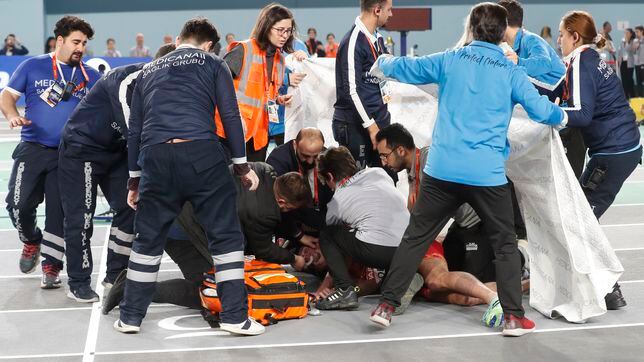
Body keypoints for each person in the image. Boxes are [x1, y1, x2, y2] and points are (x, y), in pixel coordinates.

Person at [368, 2, 566, 336]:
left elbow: (407, 67)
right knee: (504, 243)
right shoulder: (509, 71)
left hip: (442, 169)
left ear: (471, 29)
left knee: (415, 238)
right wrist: (563, 117)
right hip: (486, 174)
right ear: (503, 32)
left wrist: (382, 61)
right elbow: (541, 110)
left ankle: (386, 306)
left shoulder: (450, 59)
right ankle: (513, 318)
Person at [116, 17, 264, 336]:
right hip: (201, 154)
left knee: (148, 242)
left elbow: (134, 132)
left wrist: (133, 179)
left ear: (181, 38)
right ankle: (235, 316)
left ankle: (130, 317)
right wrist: (241, 165)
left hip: (155, 158)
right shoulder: (213, 63)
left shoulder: (148, 71)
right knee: (225, 237)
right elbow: (229, 115)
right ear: (209, 44)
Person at [57, 44, 176, 303]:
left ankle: (115, 274)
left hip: (116, 151)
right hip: (82, 150)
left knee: (130, 208)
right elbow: (135, 130)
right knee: (82, 216)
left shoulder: (164, 88)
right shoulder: (123, 79)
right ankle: (78, 281)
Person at [0, 16, 100, 289]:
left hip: (69, 156)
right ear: (60, 41)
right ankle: (31, 240)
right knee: (17, 205)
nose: (81, 48)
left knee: (58, 213)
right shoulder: (33, 66)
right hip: (32, 149)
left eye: (85, 43)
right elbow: (7, 97)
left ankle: (51, 266)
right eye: (76, 42)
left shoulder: (90, 75)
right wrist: (11, 116)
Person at [375, 123, 504, 326]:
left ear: (400, 150)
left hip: (481, 225)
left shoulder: (430, 161)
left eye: (385, 155)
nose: (383, 162)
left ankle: (519, 284)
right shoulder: (412, 173)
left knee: (463, 286)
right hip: (461, 226)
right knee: (441, 284)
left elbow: (428, 215)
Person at [556, 10, 642, 310]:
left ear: (575, 36)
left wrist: (549, 115)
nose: (558, 41)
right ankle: (602, 287)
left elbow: (581, 114)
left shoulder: (581, 62)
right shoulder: (590, 59)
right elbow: (562, 93)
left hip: (613, 152)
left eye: (562, 35)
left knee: (580, 222)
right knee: (579, 218)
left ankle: (610, 289)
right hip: (623, 146)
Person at [314, 147, 418, 312]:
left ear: (330, 177)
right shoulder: (379, 172)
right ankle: (400, 276)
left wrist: (326, 283)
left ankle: (344, 291)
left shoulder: (336, 203)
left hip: (378, 252)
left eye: (326, 182)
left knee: (328, 235)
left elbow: (339, 246)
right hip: (408, 248)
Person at [217, 3, 307, 162]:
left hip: (258, 136)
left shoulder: (279, 59)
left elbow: (267, 93)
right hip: (230, 133)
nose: (284, 35)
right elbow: (216, 85)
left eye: (288, 31)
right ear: (266, 27)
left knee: (254, 182)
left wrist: (279, 99)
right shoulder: (244, 49)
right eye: (280, 30)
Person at [333, 0, 393, 170]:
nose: (391, 14)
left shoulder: (378, 38)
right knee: (356, 184)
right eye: (389, 10)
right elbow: (351, 91)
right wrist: (371, 126)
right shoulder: (352, 41)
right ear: (377, 10)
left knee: (387, 180)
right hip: (355, 125)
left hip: (378, 122)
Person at [618, 28, 637, 99]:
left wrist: (626, 42)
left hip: (630, 63)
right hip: (623, 63)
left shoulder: (633, 41)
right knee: (624, 80)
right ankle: (625, 96)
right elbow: (620, 52)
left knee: (629, 80)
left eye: (627, 33)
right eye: (625, 33)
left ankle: (632, 96)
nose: (626, 35)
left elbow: (629, 50)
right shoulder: (622, 41)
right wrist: (619, 62)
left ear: (631, 34)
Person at [635, 26, 643, 97]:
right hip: (637, 64)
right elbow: (634, 50)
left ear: (642, 32)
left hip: (643, 63)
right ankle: (640, 98)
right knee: (639, 82)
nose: (636, 33)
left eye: (637, 32)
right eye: (635, 32)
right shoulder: (635, 41)